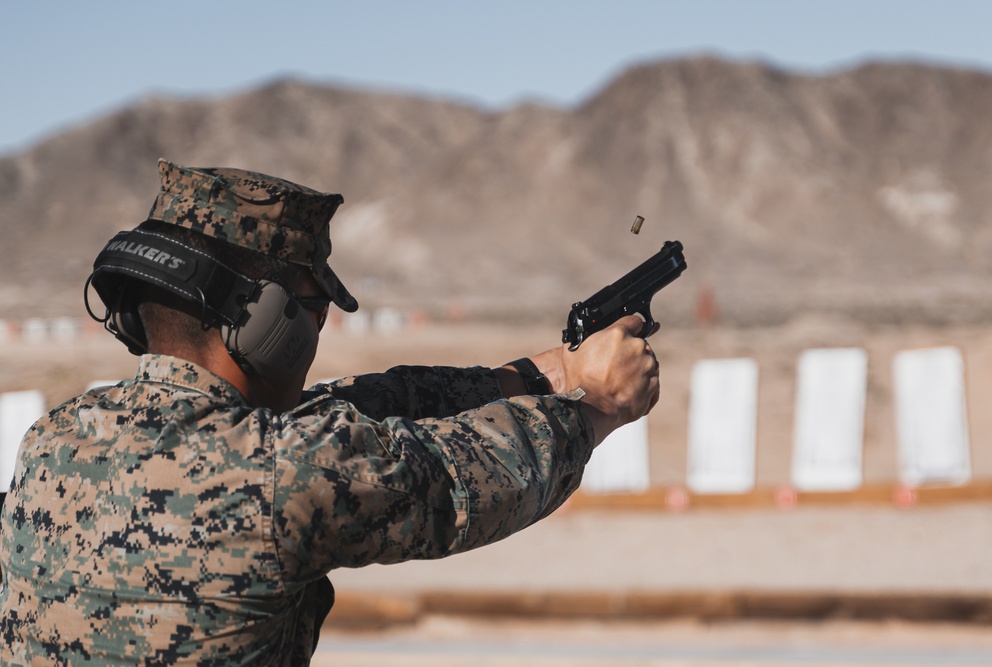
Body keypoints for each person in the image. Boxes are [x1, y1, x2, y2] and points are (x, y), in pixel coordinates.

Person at [0, 159, 660, 665]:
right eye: (314, 312)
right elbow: (468, 473)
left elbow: (357, 407)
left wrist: (552, 371)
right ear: (268, 322)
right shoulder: (284, 474)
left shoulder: (52, 440)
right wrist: (599, 405)